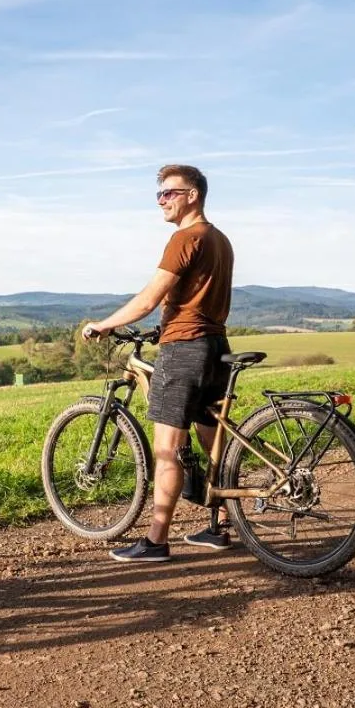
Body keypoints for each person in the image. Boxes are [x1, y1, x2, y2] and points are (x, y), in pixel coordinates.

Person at [82, 164, 234, 563]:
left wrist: (104, 324)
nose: (162, 201)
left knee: (168, 449)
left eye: (169, 193)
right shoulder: (219, 239)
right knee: (211, 439)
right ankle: (220, 525)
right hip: (216, 345)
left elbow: (149, 298)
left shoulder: (185, 237)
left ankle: (155, 541)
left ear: (192, 195)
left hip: (184, 349)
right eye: (159, 194)